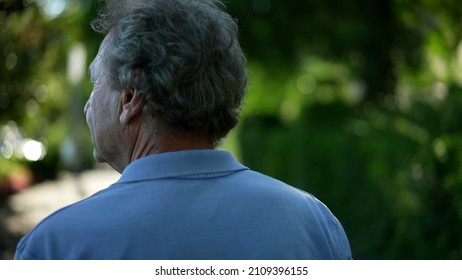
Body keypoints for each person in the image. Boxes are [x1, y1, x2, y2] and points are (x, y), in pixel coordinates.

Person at [14, 0, 352, 260]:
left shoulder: (56, 245)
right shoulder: (314, 224)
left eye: (95, 82)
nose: (88, 104)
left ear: (130, 99)